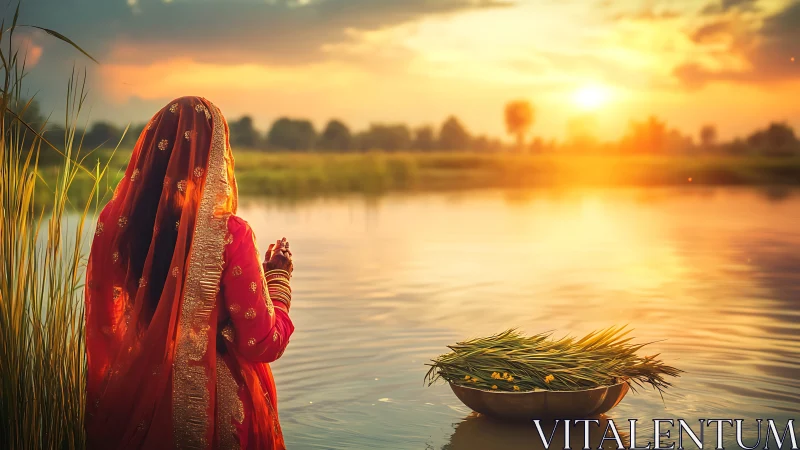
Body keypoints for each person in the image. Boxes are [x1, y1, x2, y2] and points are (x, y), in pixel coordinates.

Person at [84, 96, 294, 449]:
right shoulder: (229, 234)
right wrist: (278, 279)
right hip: (215, 411)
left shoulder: (118, 224)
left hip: (140, 402)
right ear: (213, 155)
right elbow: (262, 341)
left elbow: (108, 317)